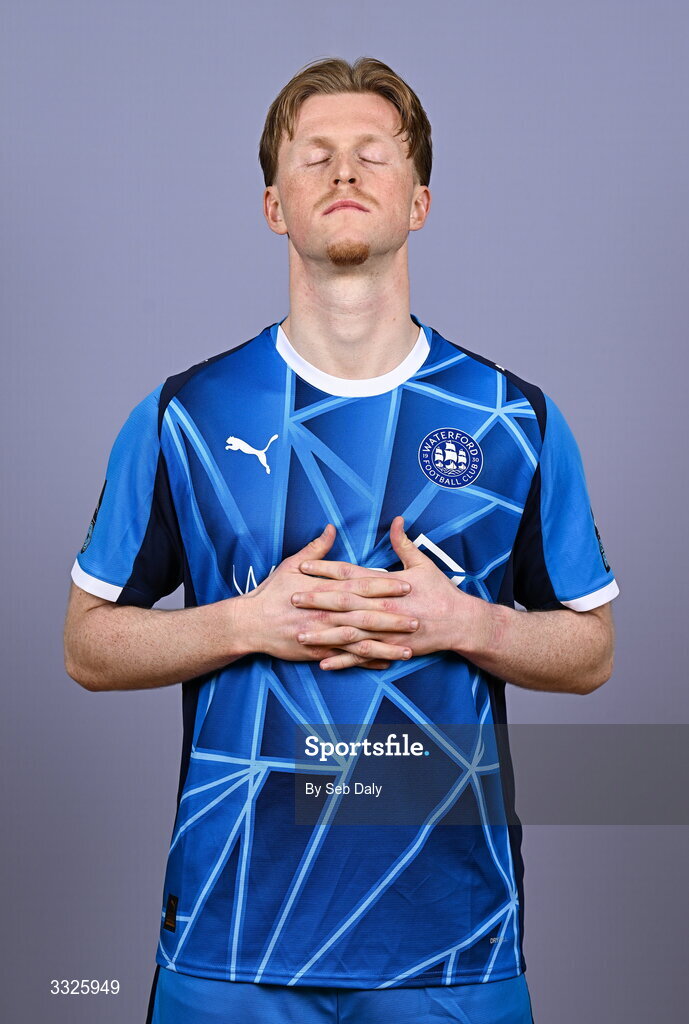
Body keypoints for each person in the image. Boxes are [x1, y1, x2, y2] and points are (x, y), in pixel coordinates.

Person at [63, 56, 618, 1024]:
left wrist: (463, 623)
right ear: (275, 206)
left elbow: (587, 653)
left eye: (372, 155)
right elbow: (88, 646)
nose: (345, 174)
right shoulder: (183, 415)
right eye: (314, 158)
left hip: (453, 944)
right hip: (231, 939)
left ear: (420, 201)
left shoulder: (512, 417)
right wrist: (246, 621)